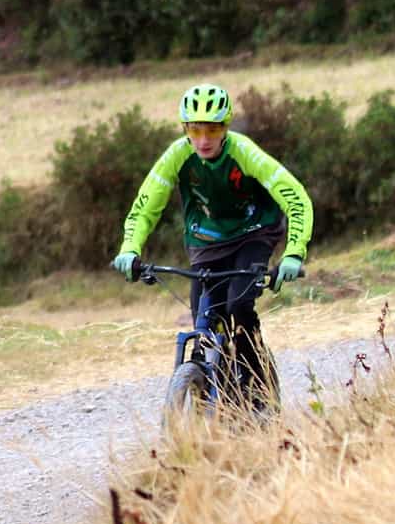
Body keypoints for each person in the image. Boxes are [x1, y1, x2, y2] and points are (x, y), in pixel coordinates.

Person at [111, 83, 312, 410]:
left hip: (254, 233)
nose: (203, 139)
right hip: (205, 244)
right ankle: (212, 400)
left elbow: (296, 198)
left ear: (226, 127)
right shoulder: (178, 155)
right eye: (195, 129)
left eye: (213, 129)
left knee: (238, 307)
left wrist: (293, 252)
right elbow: (146, 206)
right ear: (185, 128)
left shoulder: (243, 152)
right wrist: (130, 248)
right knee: (205, 321)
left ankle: (259, 391)